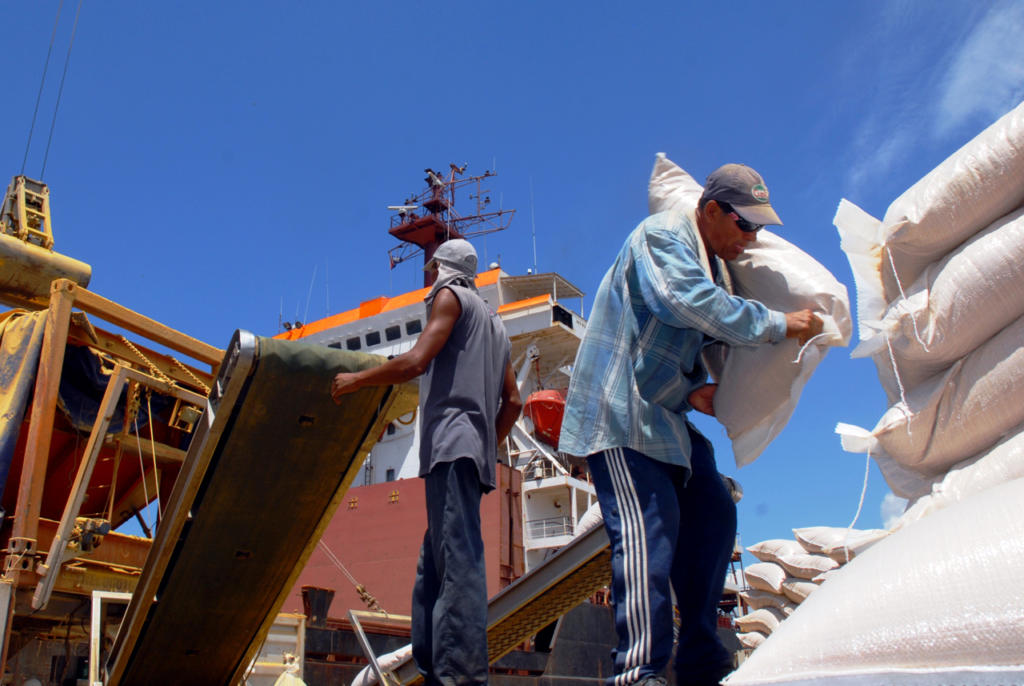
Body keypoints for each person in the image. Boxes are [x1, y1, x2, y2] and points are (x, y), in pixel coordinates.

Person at [558, 164, 821, 686]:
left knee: (714, 514)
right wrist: (778, 324)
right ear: (710, 211)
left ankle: (703, 666)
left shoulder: (716, 266)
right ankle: (640, 673)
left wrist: (692, 389)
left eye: (759, 229)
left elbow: (663, 348)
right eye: (745, 225)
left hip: (665, 418)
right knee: (645, 537)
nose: (752, 238)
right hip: (620, 418)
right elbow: (684, 302)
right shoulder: (662, 238)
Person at [331, 239, 522, 686]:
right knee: (433, 565)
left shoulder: (449, 296)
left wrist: (356, 379)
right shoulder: (496, 325)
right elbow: (513, 401)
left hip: (450, 451)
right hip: (470, 456)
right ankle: (433, 663)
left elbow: (417, 361)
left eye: (430, 269)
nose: (428, 278)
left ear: (441, 268)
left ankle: (458, 677)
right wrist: (485, 446)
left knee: (457, 566)